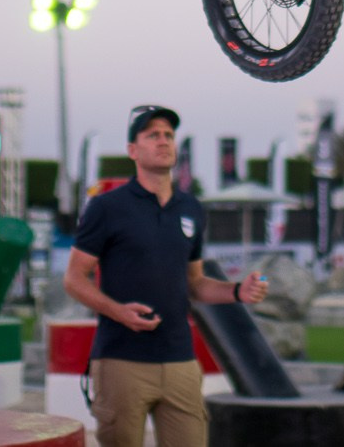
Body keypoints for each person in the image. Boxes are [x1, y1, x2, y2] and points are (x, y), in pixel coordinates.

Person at [64, 104, 269, 447]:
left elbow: (195, 284)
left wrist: (237, 292)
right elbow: (73, 278)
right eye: (152, 135)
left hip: (180, 363)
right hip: (121, 361)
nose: (163, 141)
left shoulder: (190, 209)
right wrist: (119, 312)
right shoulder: (107, 207)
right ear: (133, 150)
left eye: (168, 135)